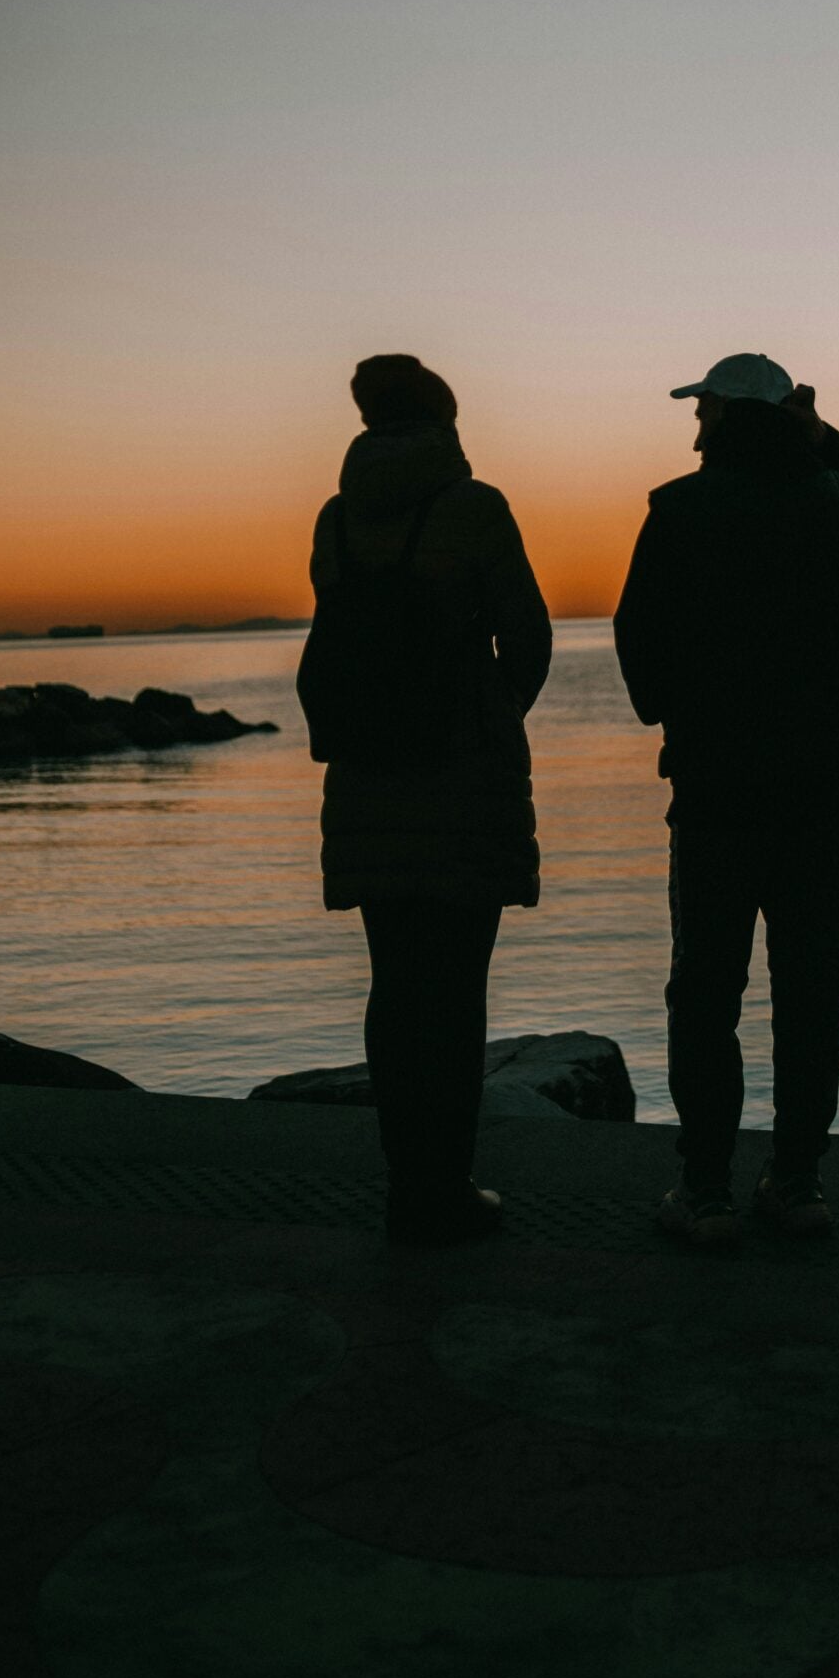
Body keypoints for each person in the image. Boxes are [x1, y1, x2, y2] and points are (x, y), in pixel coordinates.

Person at [613, 352, 839, 1249]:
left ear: (725, 416)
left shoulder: (680, 509)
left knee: (706, 990)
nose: (693, 425)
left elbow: (636, 630)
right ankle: (798, 1182)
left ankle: (705, 1193)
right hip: (824, 785)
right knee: (813, 988)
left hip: (717, 784)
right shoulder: (836, 503)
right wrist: (822, 433)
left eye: (703, 410)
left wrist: (669, 707)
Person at [303, 354, 551, 1244]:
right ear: (445, 422)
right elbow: (526, 636)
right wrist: (485, 717)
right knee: (456, 989)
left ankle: (408, 1183)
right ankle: (448, 1185)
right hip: (460, 784)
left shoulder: (336, 520)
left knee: (394, 988)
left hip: (367, 782)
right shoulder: (474, 508)